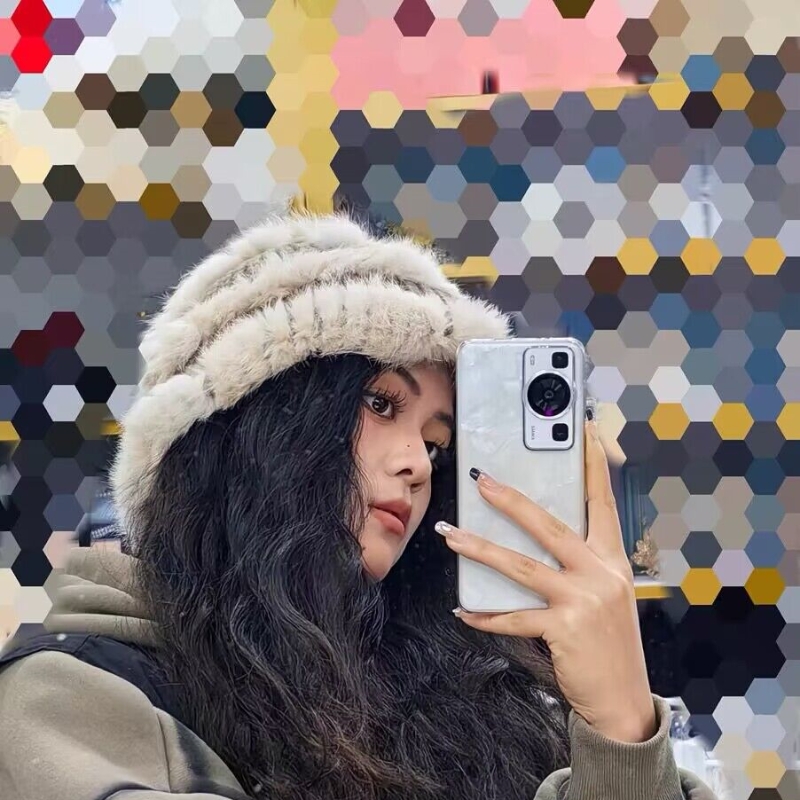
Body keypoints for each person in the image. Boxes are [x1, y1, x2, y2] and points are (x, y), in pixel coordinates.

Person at [0, 209, 717, 800]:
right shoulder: (73, 696)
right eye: (381, 403)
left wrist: (622, 730)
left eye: (436, 443)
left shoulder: (452, 699)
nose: (417, 464)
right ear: (256, 420)